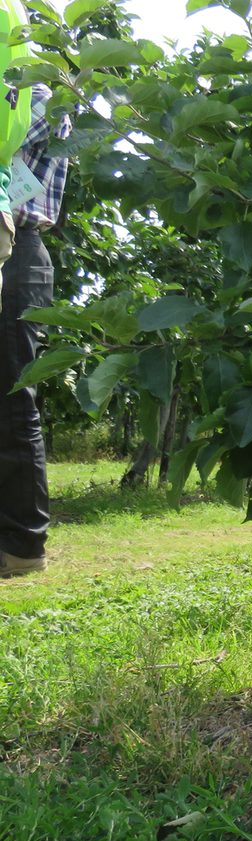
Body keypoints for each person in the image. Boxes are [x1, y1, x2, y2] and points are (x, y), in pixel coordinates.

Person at [1, 68, 68, 578]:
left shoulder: (35, 94)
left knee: (11, 398)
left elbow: (39, 120)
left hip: (18, 252)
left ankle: (23, 547)